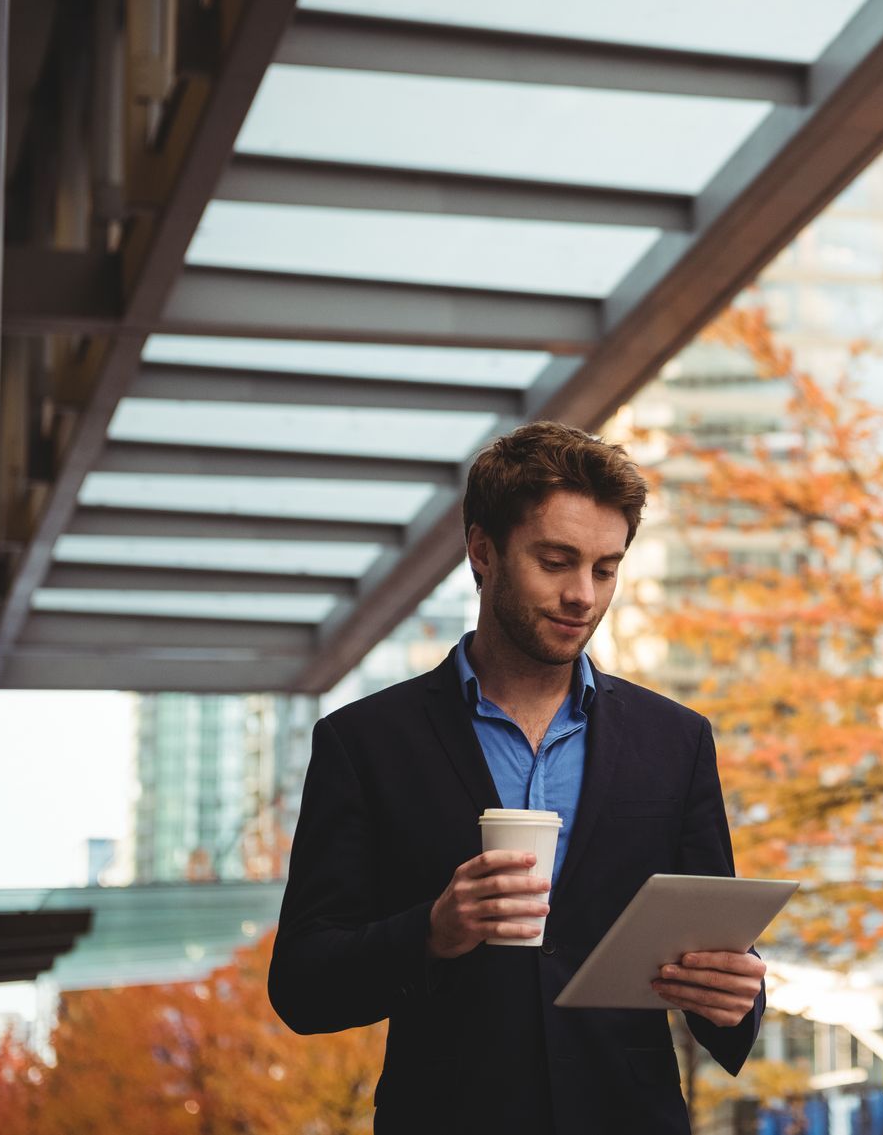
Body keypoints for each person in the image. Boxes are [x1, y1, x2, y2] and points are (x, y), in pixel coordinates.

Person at [268, 421, 767, 1134]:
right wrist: (433, 931)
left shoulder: (676, 740)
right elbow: (303, 985)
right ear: (482, 552)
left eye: (605, 567)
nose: (583, 596)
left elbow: (717, 962)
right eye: (556, 561)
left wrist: (736, 994)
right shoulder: (364, 743)